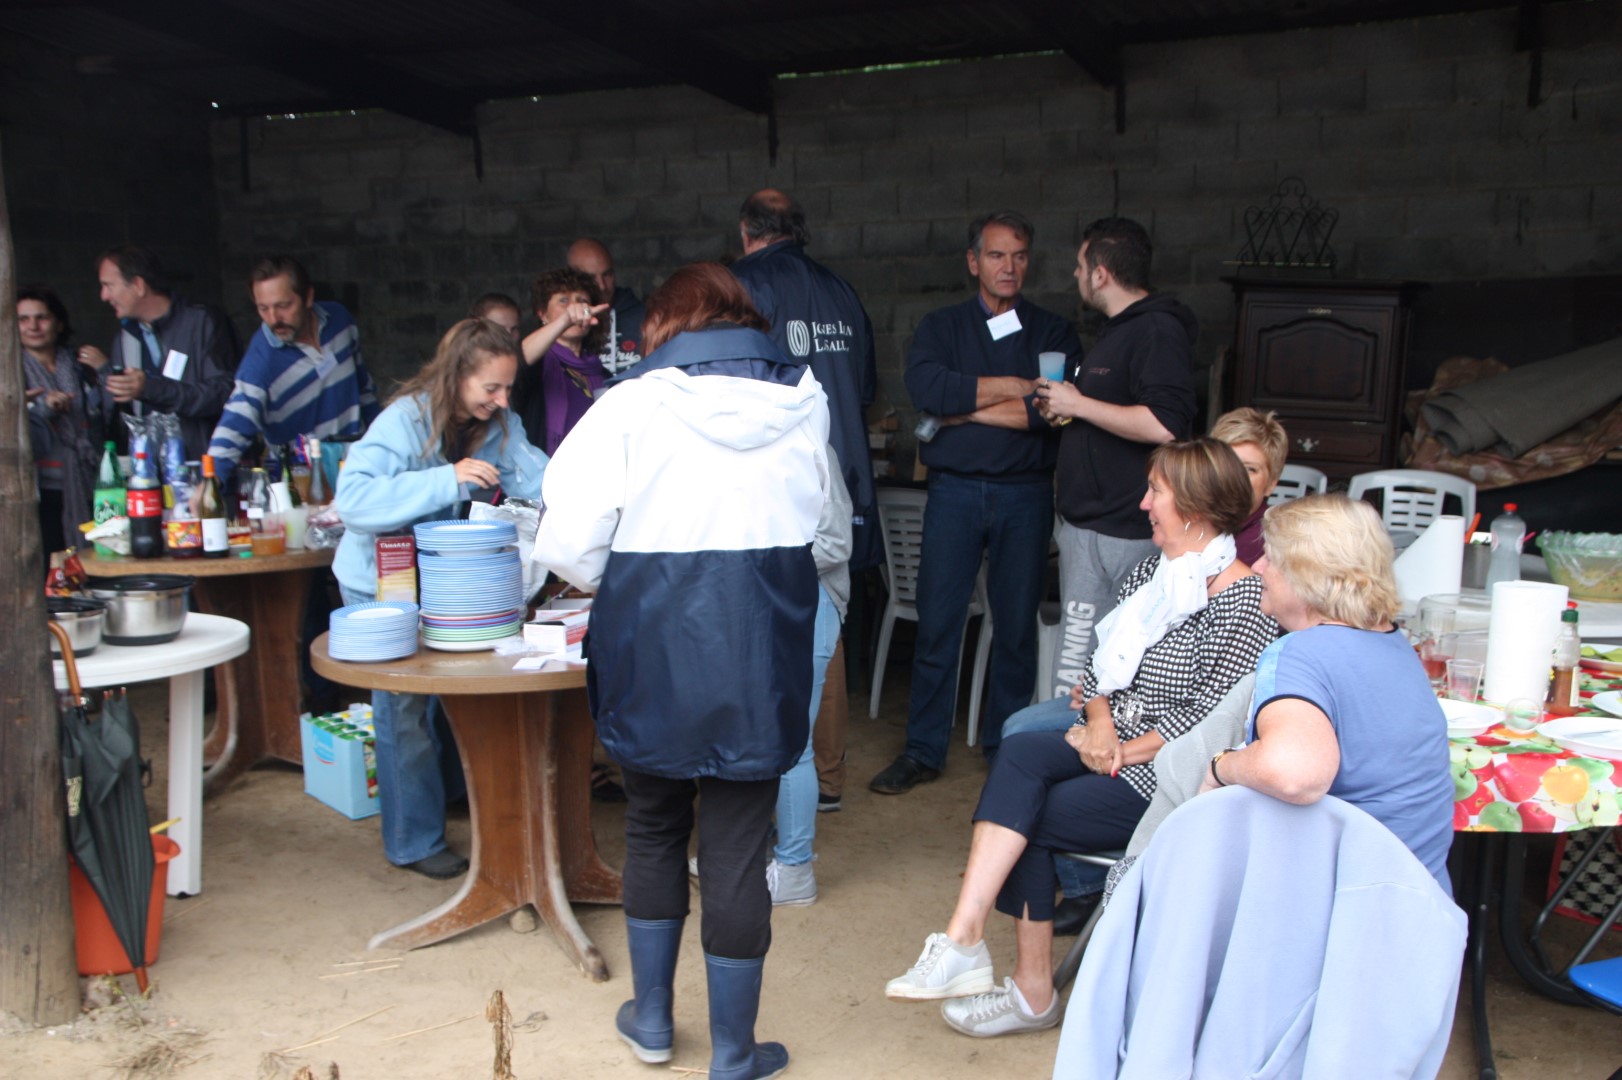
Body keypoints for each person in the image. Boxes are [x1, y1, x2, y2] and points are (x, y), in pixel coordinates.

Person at [534, 263, 831, 1080]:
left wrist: (632, 576)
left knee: (654, 826)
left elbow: (565, 543)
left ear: (663, 327)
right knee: (737, 847)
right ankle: (733, 1051)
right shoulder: (806, 397)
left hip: (654, 647)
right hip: (760, 651)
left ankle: (655, 1020)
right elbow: (822, 516)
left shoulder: (629, 403)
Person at [884, 438, 1278, 1038]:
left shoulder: (1244, 602)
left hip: (1168, 775)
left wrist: (1117, 750)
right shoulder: (1154, 573)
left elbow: (1207, 722)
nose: (1143, 504)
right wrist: (1099, 723)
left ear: (1195, 508)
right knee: (1019, 753)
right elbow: (1099, 668)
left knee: (1030, 819)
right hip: (1112, 742)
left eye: (1156, 493)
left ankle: (1031, 993)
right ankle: (964, 937)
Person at [869, 210, 1083, 795]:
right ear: (973, 262)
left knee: (1014, 628)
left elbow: (1051, 414)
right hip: (955, 493)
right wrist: (1017, 387)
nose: (1008, 266)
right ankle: (923, 751)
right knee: (938, 623)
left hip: (1026, 493)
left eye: (1018, 255)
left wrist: (961, 411)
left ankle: (1006, 747)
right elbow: (927, 390)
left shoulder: (1053, 332)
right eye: (995, 255)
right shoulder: (941, 328)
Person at [333, 319, 548, 879]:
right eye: (491, 388)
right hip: (379, 583)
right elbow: (353, 500)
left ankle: (450, 797)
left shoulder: (499, 422)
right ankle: (413, 840)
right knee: (403, 708)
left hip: (444, 583)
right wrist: (446, 479)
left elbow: (540, 482)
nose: (503, 400)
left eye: (508, 388)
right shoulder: (404, 420)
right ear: (456, 377)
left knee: (453, 692)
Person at [1198, 493, 1455, 894]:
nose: (1259, 566)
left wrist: (1221, 767)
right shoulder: (1396, 644)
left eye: (1271, 557)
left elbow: (1294, 773)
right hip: (1421, 900)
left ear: (1306, 575)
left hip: (1343, 903)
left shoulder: (1300, 651)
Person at [731, 187, 881, 826]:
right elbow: (865, 388)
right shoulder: (842, 291)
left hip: (777, 481)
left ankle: (774, 776)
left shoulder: (743, 287)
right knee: (829, 629)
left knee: (771, 633)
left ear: (746, 232)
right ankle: (829, 776)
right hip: (842, 474)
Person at [1035, 217, 1197, 703]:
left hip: (1126, 532)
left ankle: (1088, 746)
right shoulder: (1118, 331)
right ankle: (1064, 740)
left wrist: (1080, 404)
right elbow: (1112, 414)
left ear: (1101, 273)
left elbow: (1165, 424)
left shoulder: (1158, 330)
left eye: (1080, 265)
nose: (1075, 274)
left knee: (1113, 670)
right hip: (1090, 529)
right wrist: (1066, 412)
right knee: (1076, 671)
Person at [207, 255, 379, 488]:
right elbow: (235, 422)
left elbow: (364, 390)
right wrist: (210, 481)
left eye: (283, 306)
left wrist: (383, 442)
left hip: (358, 467)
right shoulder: (260, 362)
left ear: (308, 297)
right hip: (303, 483)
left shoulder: (340, 320)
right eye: (263, 308)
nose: (274, 319)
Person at [80, 246, 238, 460]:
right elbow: (119, 417)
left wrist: (151, 388)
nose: (103, 296)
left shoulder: (202, 322)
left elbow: (225, 393)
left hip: (205, 467)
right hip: (148, 471)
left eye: (108, 285)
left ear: (138, 285)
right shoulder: (124, 340)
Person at [19, 285, 112, 550]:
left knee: (97, 555)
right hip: (38, 488)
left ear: (59, 324)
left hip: (91, 478)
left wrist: (105, 370)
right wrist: (39, 407)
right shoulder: (9, 372)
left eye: (42, 317)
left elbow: (113, 414)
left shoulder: (82, 365)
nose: (33, 326)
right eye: (23, 319)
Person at [512, 268, 610, 456]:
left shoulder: (600, 372)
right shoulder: (538, 364)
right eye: (563, 301)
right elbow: (518, 358)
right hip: (547, 469)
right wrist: (565, 320)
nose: (574, 309)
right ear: (543, 314)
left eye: (582, 301)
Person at [1209, 406, 1288, 566]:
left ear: (1271, 484)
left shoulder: (1266, 544)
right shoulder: (1192, 521)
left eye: (1249, 469)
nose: (1235, 476)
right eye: (1226, 463)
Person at [567, 237, 645, 374]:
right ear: (571, 280)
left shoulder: (643, 316)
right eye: (591, 278)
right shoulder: (562, 323)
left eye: (607, 275)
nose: (602, 286)